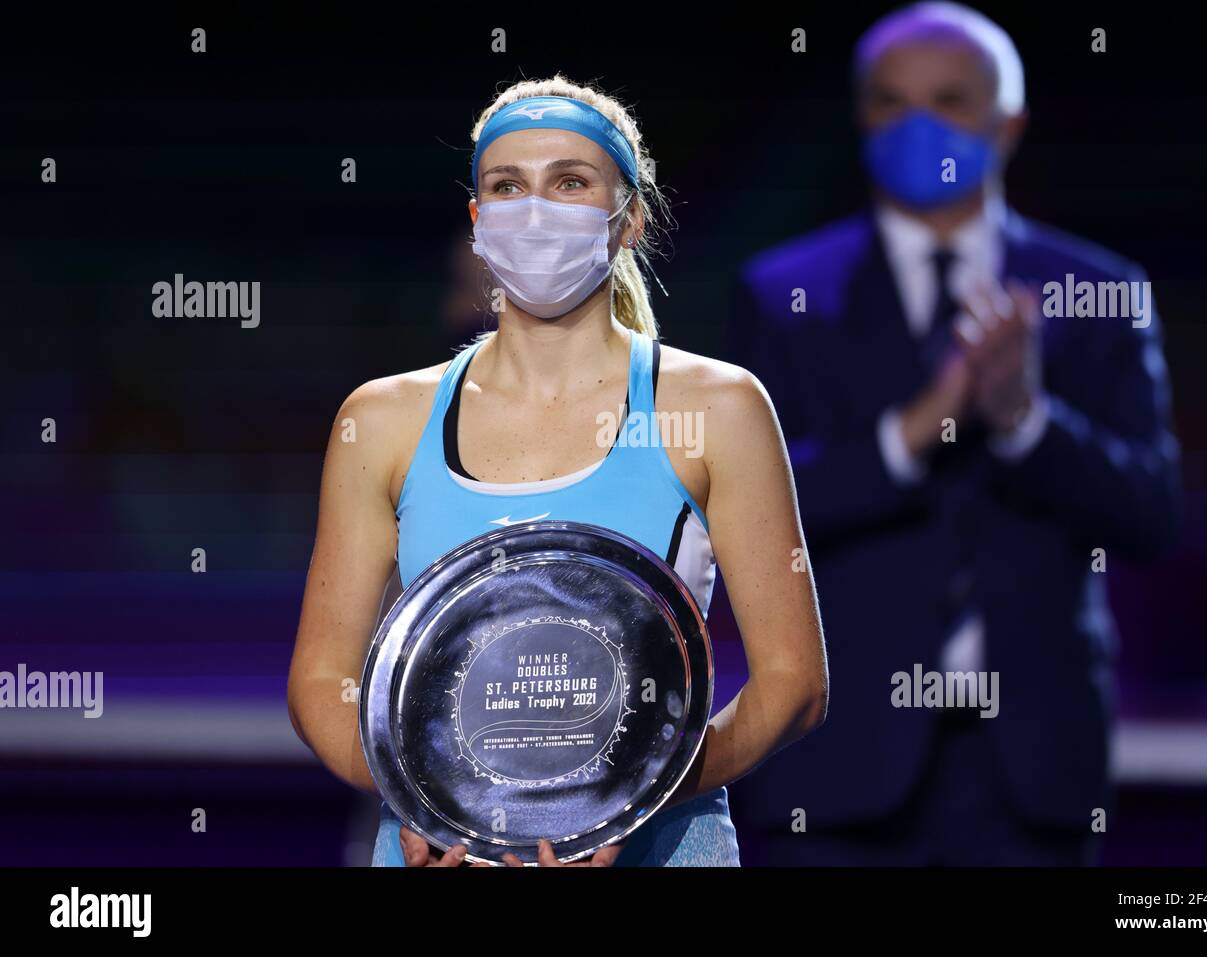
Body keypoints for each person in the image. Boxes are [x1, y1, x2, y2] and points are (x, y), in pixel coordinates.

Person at [288, 75, 828, 867]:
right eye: (507, 187)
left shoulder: (720, 407)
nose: (534, 209)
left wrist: (610, 806)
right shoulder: (382, 419)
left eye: (569, 182)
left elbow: (794, 681)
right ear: (477, 222)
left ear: (629, 218)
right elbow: (321, 682)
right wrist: (442, 807)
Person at [727, 3, 1181, 865]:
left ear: (1008, 125)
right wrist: (919, 425)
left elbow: (1150, 513)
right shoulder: (784, 292)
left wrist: (1023, 421)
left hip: (1031, 775)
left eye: (950, 100)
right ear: (862, 119)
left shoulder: (1100, 291)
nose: (918, 124)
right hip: (836, 766)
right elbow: (755, 512)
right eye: (892, 102)